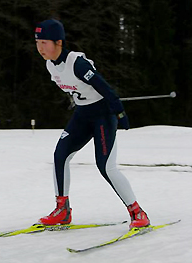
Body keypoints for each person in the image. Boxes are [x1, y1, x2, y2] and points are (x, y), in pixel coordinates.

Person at [35, 18, 150, 229]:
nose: (40, 47)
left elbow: (104, 87)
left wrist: (120, 112)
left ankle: (137, 212)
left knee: (106, 166)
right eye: (37, 42)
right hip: (83, 114)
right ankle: (62, 210)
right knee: (60, 155)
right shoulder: (50, 65)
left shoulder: (77, 63)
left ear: (58, 42)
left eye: (44, 42)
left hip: (103, 114)